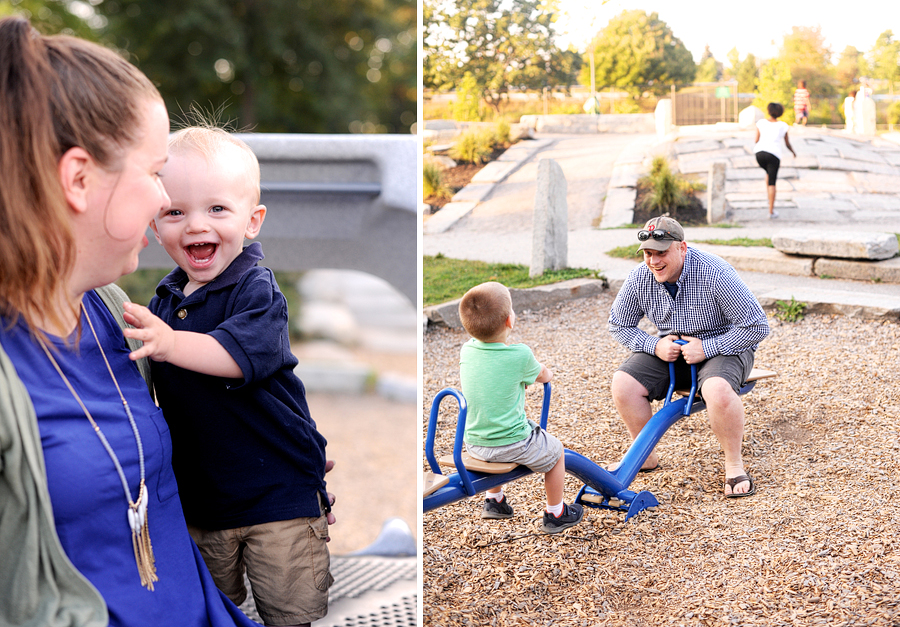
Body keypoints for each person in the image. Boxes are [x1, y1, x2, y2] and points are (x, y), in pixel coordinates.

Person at [0, 15, 287, 626]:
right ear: (77, 179)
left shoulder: (107, 313)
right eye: (154, 172)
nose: (165, 201)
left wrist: (271, 476)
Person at [120, 125, 333, 627]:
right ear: (156, 223)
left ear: (252, 220)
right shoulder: (166, 302)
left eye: (217, 209)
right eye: (176, 211)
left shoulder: (257, 292)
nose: (196, 225)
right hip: (203, 500)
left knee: (290, 608)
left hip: (277, 492)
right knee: (211, 608)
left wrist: (168, 342)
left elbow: (234, 356)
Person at [607, 217, 770, 498]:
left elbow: (757, 326)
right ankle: (644, 455)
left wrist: (707, 348)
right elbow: (618, 324)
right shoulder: (639, 278)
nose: (654, 261)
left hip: (726, 347)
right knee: (623, 383)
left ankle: (734, 465)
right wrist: (653, 345)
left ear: (682, 248)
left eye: (661, 252)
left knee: (716, 389)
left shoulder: (715, 274)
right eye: (648, 253)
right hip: (674, 350)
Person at [457, 281, 584, 534]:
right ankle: (556, 512)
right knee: (557, 453)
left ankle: (495, 501)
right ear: (509, 321)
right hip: (513, 443)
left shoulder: (467, 350)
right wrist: (543, 374)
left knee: (494, 440)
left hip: (474, 443)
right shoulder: (520, 355)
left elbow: (492, 377)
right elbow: (543, 375)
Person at [753, 102, 796, 220]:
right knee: (772, 182)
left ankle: (769, 199)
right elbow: (787, 143)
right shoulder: (783, 125)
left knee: (767, 173)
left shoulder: (761, 122)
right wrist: (793, 152)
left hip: (759, 154)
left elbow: (756, 140)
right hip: (774, 155)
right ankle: (771, 211)